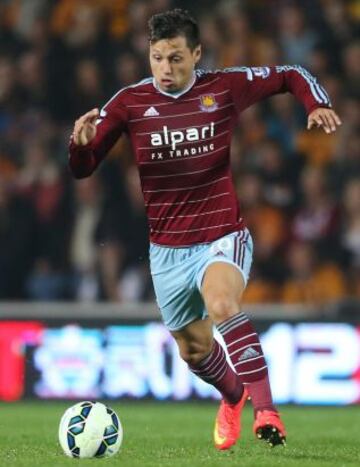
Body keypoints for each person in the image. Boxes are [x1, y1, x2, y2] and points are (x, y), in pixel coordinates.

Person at [69, 9, 341, 450]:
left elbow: (291, 72)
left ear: (197, 54)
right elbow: (83, 169)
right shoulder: (129, 103)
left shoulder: (224, 88)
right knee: (193, 351)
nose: (166, 69)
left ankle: (266, 410)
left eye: (177, 58)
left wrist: (317, 103)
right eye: (158, 58)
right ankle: (231, 394)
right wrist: (79, 146)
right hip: (166, 249)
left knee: (221, 303)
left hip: (222, 235)